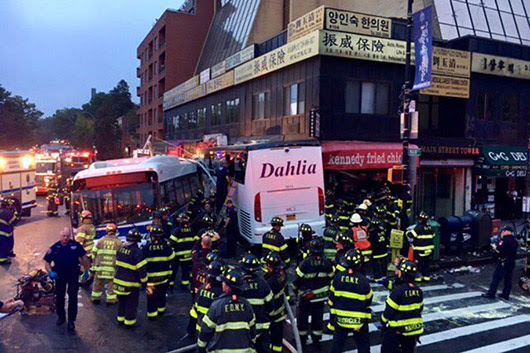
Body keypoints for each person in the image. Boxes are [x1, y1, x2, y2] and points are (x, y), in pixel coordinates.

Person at [197, 268, 256, 353]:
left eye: (224, 282)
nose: (222, 284)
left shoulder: (217, 305)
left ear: (228, 286)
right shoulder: (247, 305)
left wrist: (200, 348)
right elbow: (252, 331)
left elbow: (206, 330)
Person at [44, 228, 91, 332]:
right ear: (60, 236)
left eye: (67, 236)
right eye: (63, 236)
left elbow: (84, 258)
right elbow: (47, 262)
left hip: (73, 275)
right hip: (59, 276)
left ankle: (71, 321)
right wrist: (50, 272)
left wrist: (87, 271)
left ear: (70, 236)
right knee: (60, 297)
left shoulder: (76, 246)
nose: (65, 238)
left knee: (73, 297)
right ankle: (61, 316)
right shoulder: (55, 247)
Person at [329, 249, 373, 353]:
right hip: (359, 322)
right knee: (363, 346)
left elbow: (331, 300)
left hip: (341, 320)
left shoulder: (338, 278)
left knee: (337, 345)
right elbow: (368, 300)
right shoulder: (363, 281)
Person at [293, 238, 334, 348]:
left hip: (305, 297)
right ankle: (316, 341)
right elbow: (331, 277)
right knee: (317, 319)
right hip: (320, 297)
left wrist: (295, 290)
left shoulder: (305, 263)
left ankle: (302, 340)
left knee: (303, 318)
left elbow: (297, 280)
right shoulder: (326, 263)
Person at [380, 257, 424, 353]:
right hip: (413, 330)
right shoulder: (418, 291)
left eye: (397, 270)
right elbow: (420, 308)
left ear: (402, 273)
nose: (396, 273)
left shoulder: (398, 291)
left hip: (397, 331)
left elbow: (389, 311)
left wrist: (382, 322)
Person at [114, 227, 147, 328]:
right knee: (131, 304)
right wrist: (144, 281)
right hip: (131, 285)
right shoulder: (137, 252)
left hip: (119, 282)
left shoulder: (121, 249)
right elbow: (141, 269)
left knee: (121, 303)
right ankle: (129, 323)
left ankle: (120, 320)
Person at [240, 253, 274, 353]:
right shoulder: (263, 283)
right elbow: (271, 305)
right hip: (262, 326)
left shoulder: (239, 284)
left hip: (244, 327)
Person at [143, 225, 175, 320]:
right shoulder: (166, 247)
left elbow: (141, 263)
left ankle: (152, 315)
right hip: (164, 279)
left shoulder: (146, 248)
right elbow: (172, 258)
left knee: (151, 298)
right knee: (162, 295)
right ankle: (161, 311)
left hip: (150, 280)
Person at [189, 260, 225, 336]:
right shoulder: (222, 294)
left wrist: (190, 330)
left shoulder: (202, 289)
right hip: (216, 333)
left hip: (200, 329)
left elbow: (194, 312)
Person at [483, 226, 519, 300]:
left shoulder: (504, 240)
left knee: (496, 278)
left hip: (503, 262)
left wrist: (494, 248)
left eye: (504, 231)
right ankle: (506, 294)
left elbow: (499, 251)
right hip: (511, 262)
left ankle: (491, 294)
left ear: (507, 231)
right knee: (508, 279)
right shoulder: (514, 241)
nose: (503, 232)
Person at [91, 223, 122, 304]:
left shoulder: (100, 241)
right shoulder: (118, 243)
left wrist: (94, 266)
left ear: (106, 231)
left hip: (100, 268)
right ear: (115, 231)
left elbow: (93, 253)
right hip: (112, 268)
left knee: (98, 283)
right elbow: (121, 256)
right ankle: (111, 299)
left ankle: (95, 298)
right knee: (112, 284)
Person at [264, 252, 288, 353]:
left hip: (272, 314)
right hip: (280, 311)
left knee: (267, 337)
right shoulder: (282, 275)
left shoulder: (270, 281)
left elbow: (267, 299)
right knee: (277, 338)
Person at [170, 213, 198, 289]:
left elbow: (171, 243)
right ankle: (184, 285)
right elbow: (196, 241)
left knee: (174, 270)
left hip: (177, 255)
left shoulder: (177, 231)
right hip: (188, 255)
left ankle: (171, 285)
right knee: (186, 271)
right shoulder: (192, 231)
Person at [407, 211, 434, 282]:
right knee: (426, 264)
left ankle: (418, 278)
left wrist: (407, 231)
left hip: (419, 251)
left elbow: (411, 235)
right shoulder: (429, 228)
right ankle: (426, 277)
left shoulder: (418, 227)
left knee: (418, 265)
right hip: (428, 250)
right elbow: (433, 236)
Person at [370, 217, 389, 282]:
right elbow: (386, 239)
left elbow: (371, 243)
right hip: (384, 252)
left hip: (376, 253)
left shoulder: (372, 233)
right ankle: (384, 276)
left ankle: (377, 278)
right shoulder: (382, 231)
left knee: (376, 265)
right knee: (383, 264)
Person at [0, 198, 17, 264]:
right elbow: (14, 221)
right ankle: (2, 260)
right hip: (5, 233)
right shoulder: (9, 213)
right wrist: (15, 212)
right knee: (4, 245)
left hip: (4, 232)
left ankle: (9, 252)